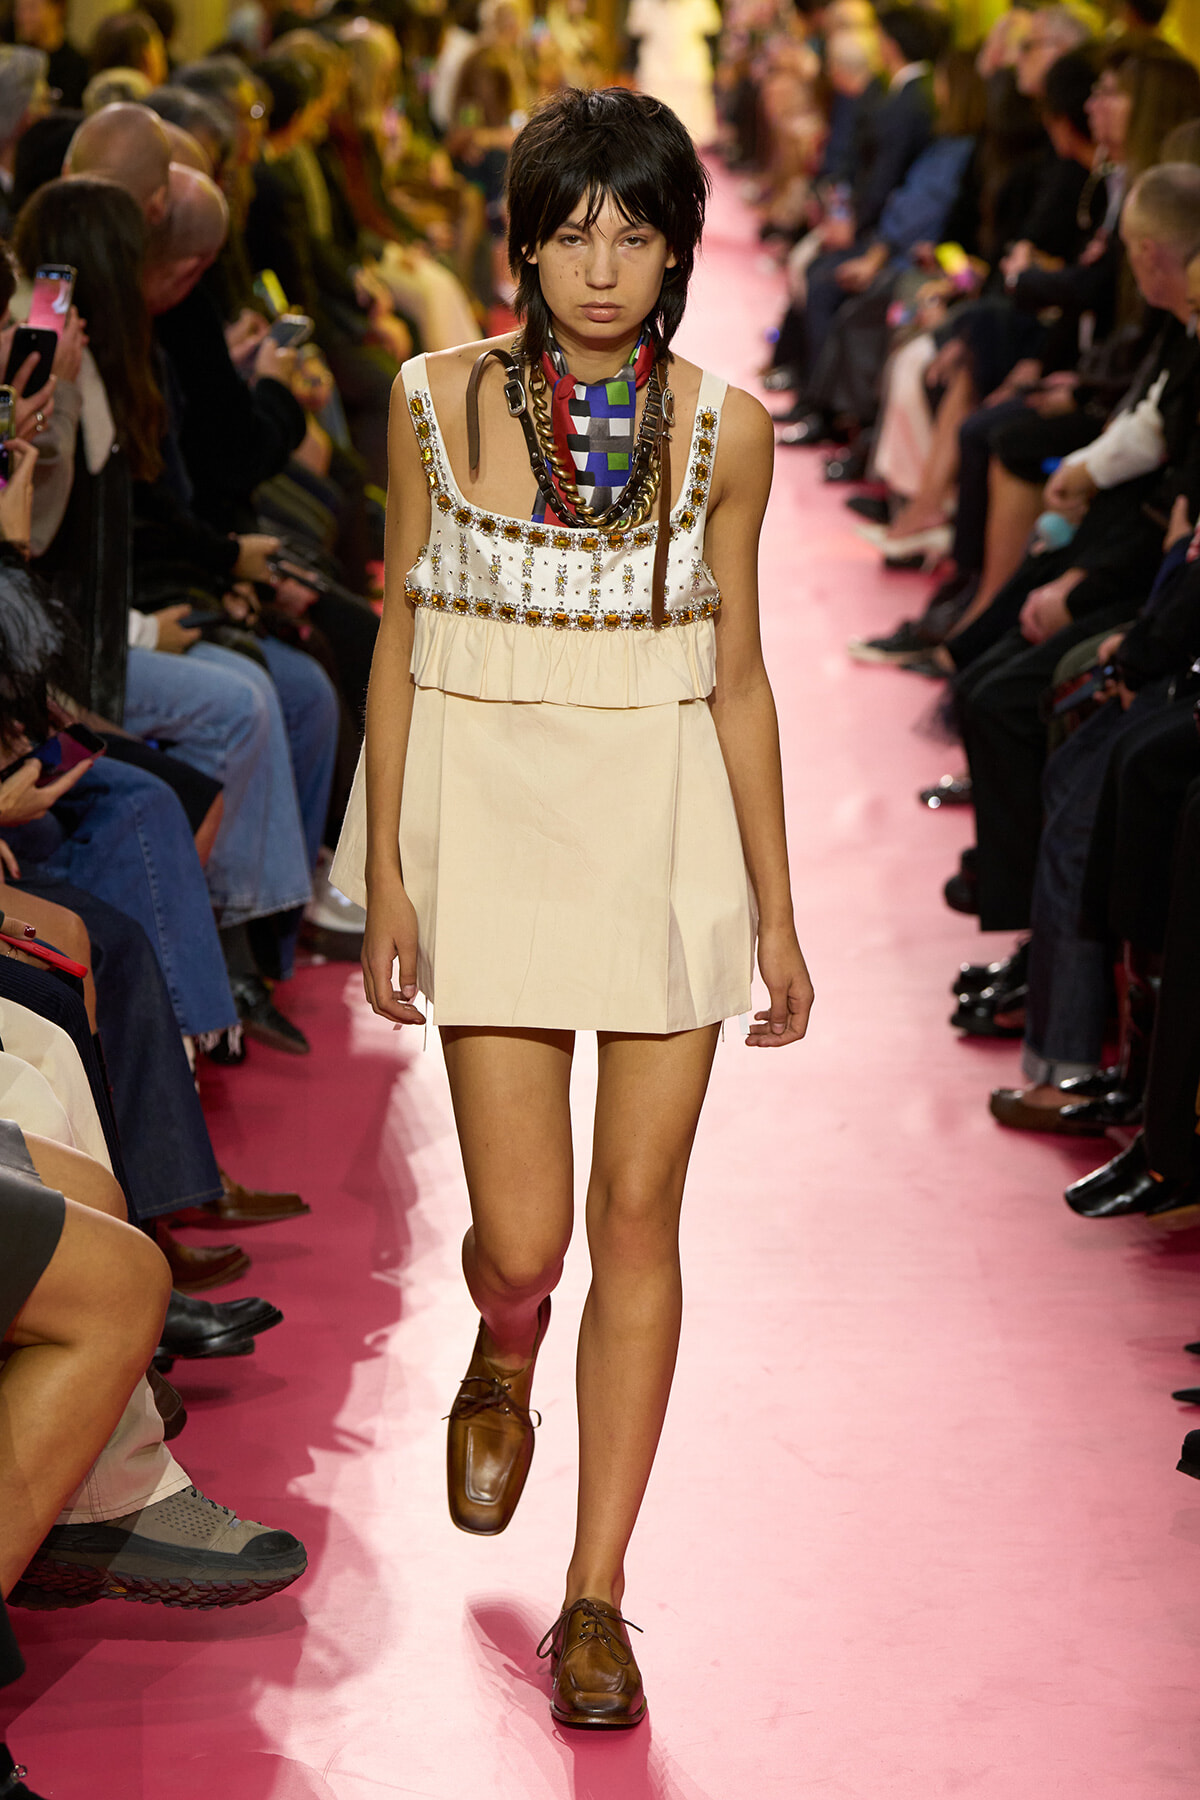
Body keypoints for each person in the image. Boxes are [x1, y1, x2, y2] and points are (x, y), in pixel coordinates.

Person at [333, 86, 813, 1728]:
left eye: (633, 229)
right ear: (523, 241)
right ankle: (506, 1342)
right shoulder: (425, 402)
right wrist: (385, 866)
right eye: (570, 229)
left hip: (667, 832)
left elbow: (740, 678)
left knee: (637, 1222)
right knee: (525, 1238)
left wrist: (778, 908)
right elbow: (396, 638)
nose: (601, 266)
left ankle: (595, 1594)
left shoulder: (723, 428)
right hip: (493, 832)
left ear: (676, 244)